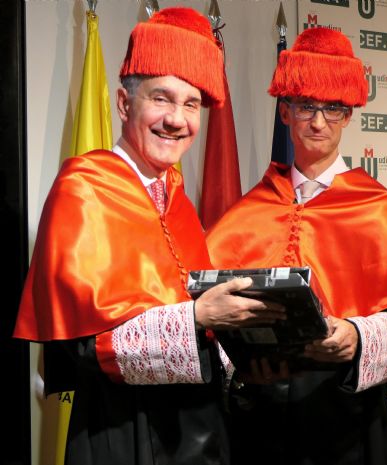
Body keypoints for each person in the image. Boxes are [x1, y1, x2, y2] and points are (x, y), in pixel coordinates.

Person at [14, 7, 284, 465]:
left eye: (191, 104)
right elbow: (76, 347)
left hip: (200, 433)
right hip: (121, 430)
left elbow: (201, 341)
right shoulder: (83, 187)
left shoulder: (178, 202)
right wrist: (196, 316)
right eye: (161, 99)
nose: (177, 120)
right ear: (124, 104)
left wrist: (242, 361)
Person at [205, 27, 387, 465]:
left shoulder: (380, 211)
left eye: (333, 109)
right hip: (259, 426)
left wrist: (355, 337)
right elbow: (209, 319)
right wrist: (239, 366)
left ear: (349, 115)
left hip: (349, 423)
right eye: (306, 107)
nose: (318, 122)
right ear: (285, 112)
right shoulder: (245, 213)